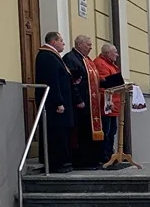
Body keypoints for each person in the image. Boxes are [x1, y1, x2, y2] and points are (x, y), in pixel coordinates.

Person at [35, 32, 74, 173]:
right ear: (53, 41)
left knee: (60, 132)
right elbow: (52, 81)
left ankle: (61, 161)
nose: (63, 43)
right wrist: (58, 101)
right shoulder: (47, 56)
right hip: (53, 104)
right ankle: (54, 163)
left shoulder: (53, 56)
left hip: (59, 102)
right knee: (55, 132)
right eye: (61, 40)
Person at [63, 35, 103, 169]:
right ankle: (82, 162)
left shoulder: (86, 59)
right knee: (81, 134)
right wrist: (78, 99)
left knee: (88, 133)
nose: (91, 47)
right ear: (79, 44)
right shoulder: (71, 58)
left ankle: (93, 160)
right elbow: (72, 82)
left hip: (91, 104)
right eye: (88, 45)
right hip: (80, 104)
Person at [92, 43, 122, 164]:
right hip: (106, 103)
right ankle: (104, 155)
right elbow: (104, 82)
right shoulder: (100, 63)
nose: (117, 55)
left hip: (113, 103)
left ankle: (110, 153)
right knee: (107, 131)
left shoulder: (110, 64)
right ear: (107, 53)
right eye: (115, 52)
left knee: (112, 131)